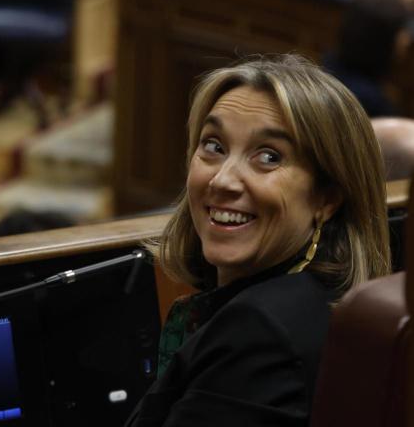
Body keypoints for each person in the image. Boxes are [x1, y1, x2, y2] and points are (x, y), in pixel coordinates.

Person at [126, 55, 390, 426]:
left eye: (268, 156)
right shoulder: (315, 300)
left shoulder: (259, 333)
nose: (222, 180)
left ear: (327, 198)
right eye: (214, 146)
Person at [323, 0, 411, 117]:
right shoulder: (375, 107)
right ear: (382, 40)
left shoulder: (327, 65)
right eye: (401, 31)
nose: (406, 40)